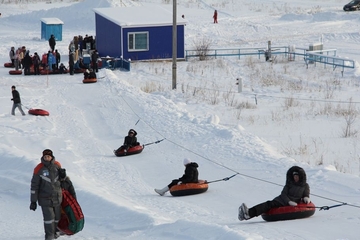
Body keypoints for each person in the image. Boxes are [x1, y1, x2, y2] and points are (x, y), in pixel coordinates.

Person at [238, 166, 311, 221]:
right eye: (294, 176)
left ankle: (248, 214)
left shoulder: (305, 186)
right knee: (268, 205)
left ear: (300, 177)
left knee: (268, 205)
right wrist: (288, 202)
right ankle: (248, 213)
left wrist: (306, 198)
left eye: (297, 176)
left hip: (292, 203)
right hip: (281, 201)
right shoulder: (289, 184)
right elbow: (283, 194)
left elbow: (306, 194)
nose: (295, 178)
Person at [30, 149, 63, 240]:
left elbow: (62, 181)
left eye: (48, 156)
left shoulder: (57, 165)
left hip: (57, 198)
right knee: (49, 219)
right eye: (45, 157)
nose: (47, 158)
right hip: (45, 199)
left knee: (57, 217)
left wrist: (63, 176)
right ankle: (49, 236)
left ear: (51, 157)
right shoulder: (39, 169)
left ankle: (55, 232)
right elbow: (34, 186)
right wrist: (33, 201)